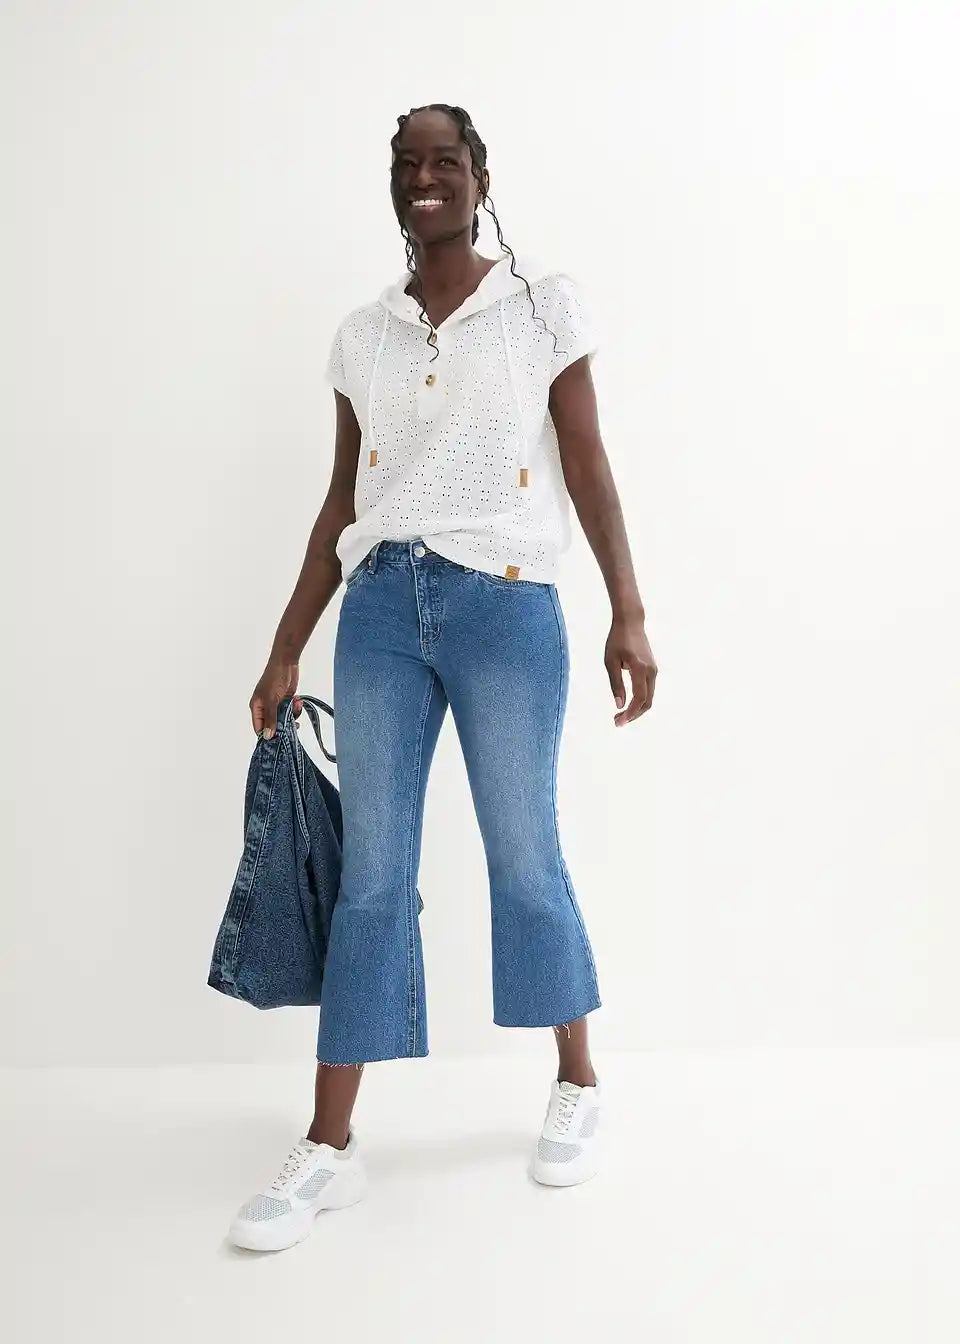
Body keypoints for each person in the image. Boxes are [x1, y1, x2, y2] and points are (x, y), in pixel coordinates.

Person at [227, 104, 656, 1252]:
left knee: (525, 854)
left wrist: (628, 609)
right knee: (371, 877)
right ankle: (329, 1145)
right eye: (409, 166)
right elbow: (341, 500)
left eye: (447, 163)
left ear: (480, 178)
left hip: (507, 606)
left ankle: (578, 1078)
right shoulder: (362, 336)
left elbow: (588, 463)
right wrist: (285, 644)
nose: (428, 180)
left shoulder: (540, 308)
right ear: (394, 186)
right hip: (380, 613)